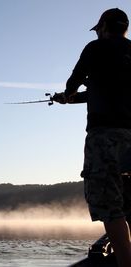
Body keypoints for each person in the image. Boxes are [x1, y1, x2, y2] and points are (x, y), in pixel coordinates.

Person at [55, 8, 131, 267]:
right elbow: (105, 91)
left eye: (98, 28)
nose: (97, 33)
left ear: (104, 27)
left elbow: (75, 81)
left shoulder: (95, 48)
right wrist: (74, 98)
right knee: (127, 201)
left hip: (104, 137)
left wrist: (66, 94)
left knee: (109, 204)